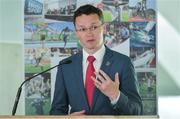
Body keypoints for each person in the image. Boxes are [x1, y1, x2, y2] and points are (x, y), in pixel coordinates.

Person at [50, 4, 142, 115]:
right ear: (77, 33)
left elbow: (137, 111)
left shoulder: (123, 63)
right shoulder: (65, 65)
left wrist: (116, 95)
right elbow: (56, 111)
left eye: (93, 27)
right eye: (83, 29)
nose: (89, 33)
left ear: (103, 28)